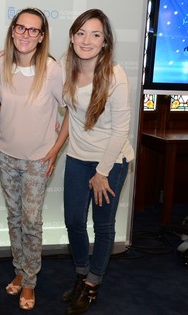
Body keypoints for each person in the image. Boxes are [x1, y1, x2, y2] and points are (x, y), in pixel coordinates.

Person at [60, 9, 134, 315]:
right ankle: (81, 273)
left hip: (111, 161)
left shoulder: (115, 75)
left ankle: (92, 283)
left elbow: (121, 130)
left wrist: (102, 172)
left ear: (105, 42)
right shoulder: (66, 67)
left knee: (103, 227)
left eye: (95, 34)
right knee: (74, 221)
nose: (86, 40)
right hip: (77, 158)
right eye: (81, 33)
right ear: (73, 37)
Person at [0, 7, 69, 311]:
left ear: (41, 37)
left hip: (38, 159)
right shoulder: (0, 63)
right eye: (21, 28)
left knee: (31, 220)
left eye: (33, 30)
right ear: (13, 30)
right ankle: (19, 268)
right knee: (14, 218)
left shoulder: (52, 70)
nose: (26, 34)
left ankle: (30, 282)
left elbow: (71, 116)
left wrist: (53, 152)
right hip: (6, 155)